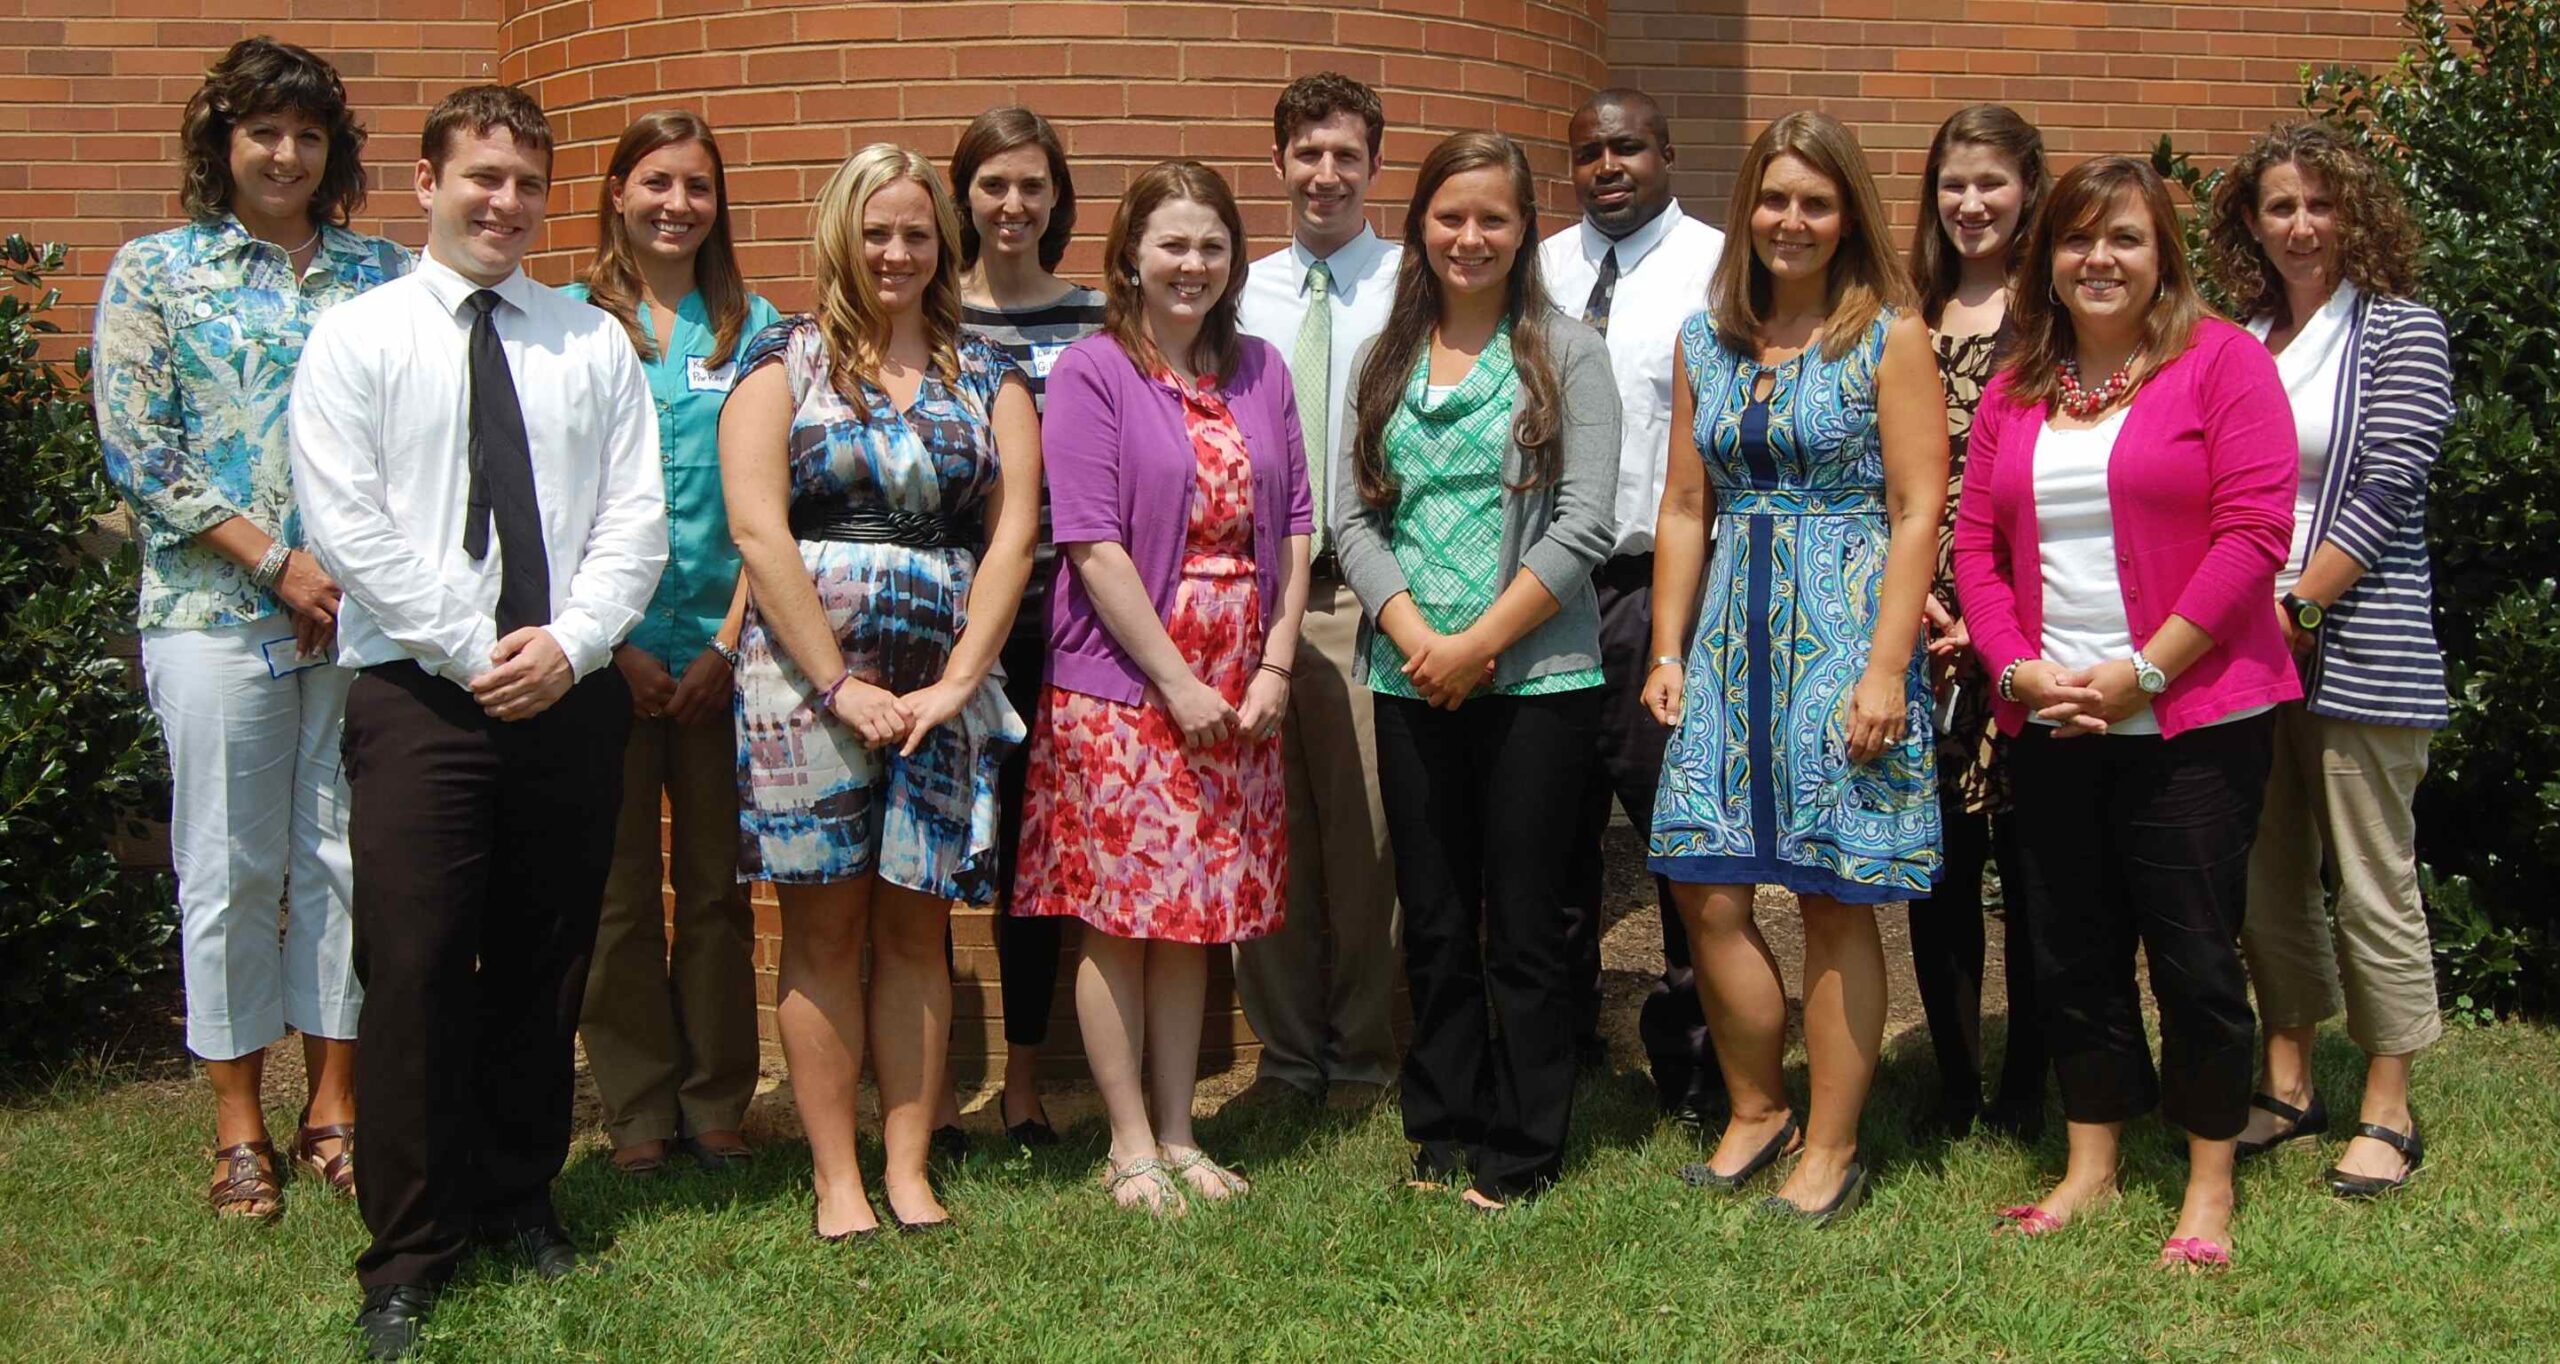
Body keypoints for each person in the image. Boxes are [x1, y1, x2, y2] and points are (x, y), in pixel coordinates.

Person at [289, 85, 667, 1359]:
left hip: (566, 690)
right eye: (481, 178)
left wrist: (568, 645)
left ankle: (519, 1193)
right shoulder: (358, 336)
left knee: (548, 950)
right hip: (419, 698)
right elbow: (347, 519)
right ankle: (407, 1247)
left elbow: (635, 517)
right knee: (412, 965)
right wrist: (470, 646)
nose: (503, 202)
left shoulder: (589, 341)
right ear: (427, 181)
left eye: (524, 182)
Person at [1954, 155, 2299, 1269]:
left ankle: (2207, 1180)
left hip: (2191, 714)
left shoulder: (2222, 364)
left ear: (2164, 257)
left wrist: (2142, 672)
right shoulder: (2017, 385)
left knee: (2195, 955)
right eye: (2074, 240)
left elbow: (2253, 535)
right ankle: (2092, 1161)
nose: (2097, 259)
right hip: (2051, 719)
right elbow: (1974, 546)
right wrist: (2014, 671)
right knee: (2070, 946)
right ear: (2045, 260)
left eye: (2125, 240)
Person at [93, 36, 406, 1223]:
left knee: (342, 858)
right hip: (213, 613)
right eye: (263, 132)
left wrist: (359, 576)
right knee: (229, 866)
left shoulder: (381, 273)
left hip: (358, 618)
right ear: (221, 144)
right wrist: (276, 563)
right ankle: (237, 1121)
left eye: (307, 134)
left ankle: (335, 1104)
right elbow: (138, 446)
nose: (284, 153)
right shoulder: (157, 273)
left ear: (332, 152)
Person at [720, 144, 1040, 1241]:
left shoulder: (985, 370)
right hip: (804, 686)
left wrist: (959, 680)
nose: (897, 250)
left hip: (942, 688)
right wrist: (836, 681)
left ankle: (906, 1165)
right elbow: (759, 526)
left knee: (916, 928)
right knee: (821, 930)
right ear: (839, 234)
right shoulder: (783, 358)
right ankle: (834, 1178)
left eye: (915, 232)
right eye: (877, 229)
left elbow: (1013, 534)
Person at [1644, 110, 1947, 1224]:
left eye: (1815, 201)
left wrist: (1885, 668)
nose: (1790, 219)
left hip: (1844, 636)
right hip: (1726, 642)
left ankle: (1830, 1141)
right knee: (1704, 882)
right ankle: (1754, 1105)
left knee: (1829, 895)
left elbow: (1916, 509)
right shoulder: (1704, 339)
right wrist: (1667, 648)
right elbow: (1683, 504)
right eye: (1773, 198)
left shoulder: (1890, 335)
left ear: (1848, 214)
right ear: (1746, 210)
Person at [1014, 160, 1312, 1215]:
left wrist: (1275, 660)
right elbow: (1090, 542)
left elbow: (1294, 525)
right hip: (1123, 684)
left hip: (1240, 683)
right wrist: (1176, 681)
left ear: (1234, 261)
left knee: (1195, 913)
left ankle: (1181, 1128)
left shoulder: (1262, 369)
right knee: (1118, 916)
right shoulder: (1095, 371)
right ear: (1131, 256)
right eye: (1172, 244)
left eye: (1211, 246)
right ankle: (1128, 1140)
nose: (1191, 264)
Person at [1337, 131, 1620, 1209]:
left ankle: (1523, 1142)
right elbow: (1354, 514)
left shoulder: (1563, 349)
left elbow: (1586, 521)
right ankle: (1443, 1125)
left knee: (1529, 916)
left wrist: (1479, 642)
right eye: (1450, 215)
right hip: (1411, 675)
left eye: (1492, 217)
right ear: (1420, 223)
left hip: (1534, 678)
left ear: (1523, 228)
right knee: (1440, 913)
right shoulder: (1383, 355)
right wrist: (1415, 635)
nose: (1469, 236)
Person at [2209, 121, 2455, 1199]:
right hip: (2239, 646)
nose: (2300, 225)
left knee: (2368, 877)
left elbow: (2389, 479)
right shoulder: (2238, 336)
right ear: (2250, 225)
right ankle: (2289, 1077)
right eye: (2278, 207)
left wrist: (2298, 606)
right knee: (2266, 873)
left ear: (2354, 215)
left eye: (2320, 204)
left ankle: (2387, 1104)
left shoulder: (2402, 329)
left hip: (2358, 644)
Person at [565, 110, 780, 1178]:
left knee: (712, 891)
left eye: (697, 185)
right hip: (602, 657)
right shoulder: (562, 323)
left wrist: (730, 644)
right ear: (617, 192)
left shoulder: (758, 327)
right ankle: (638, 1106)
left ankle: (715, 1099)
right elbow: (554, 506)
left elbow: (773, 505)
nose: (675, 204)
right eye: (655, 181)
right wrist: (610, 646)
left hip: (717, 660)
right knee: (609, 898)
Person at [1539, 85, 1726, 1116]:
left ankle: (1698, 1069)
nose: (1607, 167)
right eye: (1588, 154)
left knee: (1679, 840)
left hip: (1663, 589)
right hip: (1545, 592)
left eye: (1627, 149)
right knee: (1550, 834)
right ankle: (1558, 1050)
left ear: (1666, 152)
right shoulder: (1540, 270)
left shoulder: (1718, 268)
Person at [927, 105, 1108, 1152]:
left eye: (1031, 184)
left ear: (1056, 196)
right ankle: (934, 1089)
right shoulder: (925, 311)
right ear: (964, 194)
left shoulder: (1094, 320)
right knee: (940, 846)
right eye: (992, 183)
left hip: (1062, 622)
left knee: (1037, 855)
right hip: (945, 621)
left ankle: (1026, 1083)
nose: (1011, 203)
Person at [1232, 72, 1404, 1113]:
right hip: (1246, 600)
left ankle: (1364, 1055)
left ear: (1374, 166)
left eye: (1345, 154)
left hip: (1364, 590)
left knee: (1369, 836)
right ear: (1280, 162)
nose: (1325, 173)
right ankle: (1285, 1054)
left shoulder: (1414, 283)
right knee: (1266, 829)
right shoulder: (1238, 290)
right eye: (1306, 153)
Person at [1900, 104, 2050, 1142]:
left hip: (2026, 623)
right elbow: (1873, 470)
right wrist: (1918, 600)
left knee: (2037, 868)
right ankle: (1955, 1086)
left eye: (1990, 181)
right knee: (1939, 865)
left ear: (2029, 189)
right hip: (1915, 624)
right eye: (1953, 182)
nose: (1970, 202)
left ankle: (2030, 1082)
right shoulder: (1901, 313)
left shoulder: (2056, 316)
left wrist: (1988, 614)